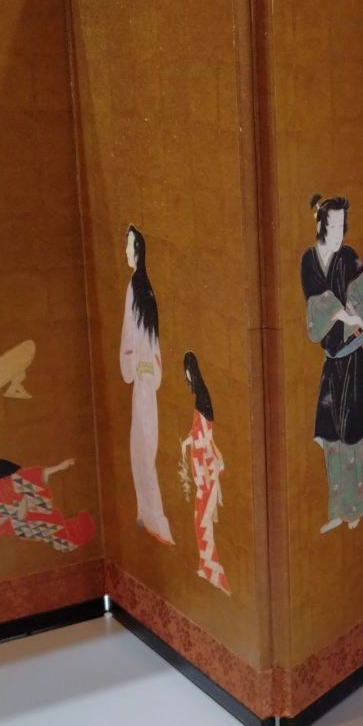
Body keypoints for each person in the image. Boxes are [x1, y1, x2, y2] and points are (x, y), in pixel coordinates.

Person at [301, 194, 363, 533]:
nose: (338, 232)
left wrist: (355, 313)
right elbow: (315, 301)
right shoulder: (309, 260)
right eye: (332, 226)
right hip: (331, 360)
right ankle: (338, 508)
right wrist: (343, 314)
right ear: (320, 224)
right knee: (330, 431)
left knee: (351, 430)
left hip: (353, 358)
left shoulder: (348, 256)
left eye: (341, 226)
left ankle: (356, 507)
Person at [120, 225, 173, 545]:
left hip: (143, 381)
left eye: (130, 246)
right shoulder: (139, 287)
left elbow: (135, 337)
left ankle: (155, 516)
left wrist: (137, 368)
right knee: (138, 448)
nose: (126, 251)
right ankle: (145, 511)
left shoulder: (139, 288)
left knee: (144, 449)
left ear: (139, 251)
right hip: (143, 379)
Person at [0, 439, 95, 552]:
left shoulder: (2, 473)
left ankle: (67, 536)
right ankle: (68, 537)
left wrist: (58, 468)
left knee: (28, 510)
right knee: (9, 516)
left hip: (14, 509)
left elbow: (29, 477)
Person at [179, 352, 229, 593]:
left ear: (191, 372)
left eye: (186, 372)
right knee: (200, 521)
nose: (186, 377)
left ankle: (213, 570)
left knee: (203, 522)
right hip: (203, 472)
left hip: (206, 472)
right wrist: (187, 443)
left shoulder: (202, 400)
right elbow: (199, 435)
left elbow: (206, 438)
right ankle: (206, 566)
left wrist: (212, 468)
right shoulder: (200, 400)